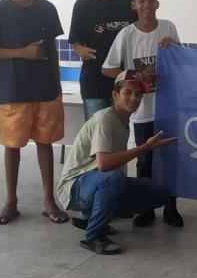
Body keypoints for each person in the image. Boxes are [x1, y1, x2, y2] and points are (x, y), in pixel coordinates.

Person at [0, 0, 68, 225]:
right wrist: (22, 53)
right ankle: (10, 202)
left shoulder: (47, 9)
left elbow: (51, 50)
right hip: (13, 90)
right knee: (12, 147)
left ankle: (49, 201)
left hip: (46, 89)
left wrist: (56, 86)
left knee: (45, 144)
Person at [56, 70, 176, 254]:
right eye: (127, 92)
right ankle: (94, 236)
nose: (133, 98)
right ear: (115, 94)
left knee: (158, 192)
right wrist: (144, 148)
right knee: (113, 179)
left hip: (94, 182)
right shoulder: (105, 118)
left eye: (138, 94)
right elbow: (103, 164)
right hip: (74, 187)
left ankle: (92, 218)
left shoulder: (123, 121)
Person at [102, 0, 183, 228]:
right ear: (134, 5)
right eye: (142, 1)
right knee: (144, 160)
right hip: (141, 111)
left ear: (158, 3)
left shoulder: (168, 28)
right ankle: (146, 208)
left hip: (168, 108)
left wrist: (175, 48)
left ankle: (171, 207)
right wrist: (135, 76)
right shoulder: (127, 35)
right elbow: (107, 69)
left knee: (169, 159)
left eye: (151, 0)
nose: (147, 5)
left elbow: (181, 63)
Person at [69, 0, 136, 120]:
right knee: (98, 139)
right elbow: (74, 41)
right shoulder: (82, 4)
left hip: (127, 83)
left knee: (126, 138)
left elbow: (144, 29)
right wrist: (80, 50)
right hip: (94, 82)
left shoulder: (130, 1)